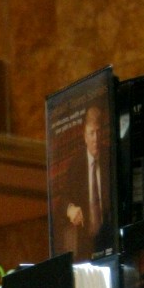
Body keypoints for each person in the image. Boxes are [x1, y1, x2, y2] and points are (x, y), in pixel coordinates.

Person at [55, 102, 115, 258]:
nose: (96, 139)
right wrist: (70, 209)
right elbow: (62, 200)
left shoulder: (110, 158)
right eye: (91, 133)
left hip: (110, 240)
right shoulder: (77, 164)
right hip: (85, 242)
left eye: (98, 132)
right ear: (84, 136)